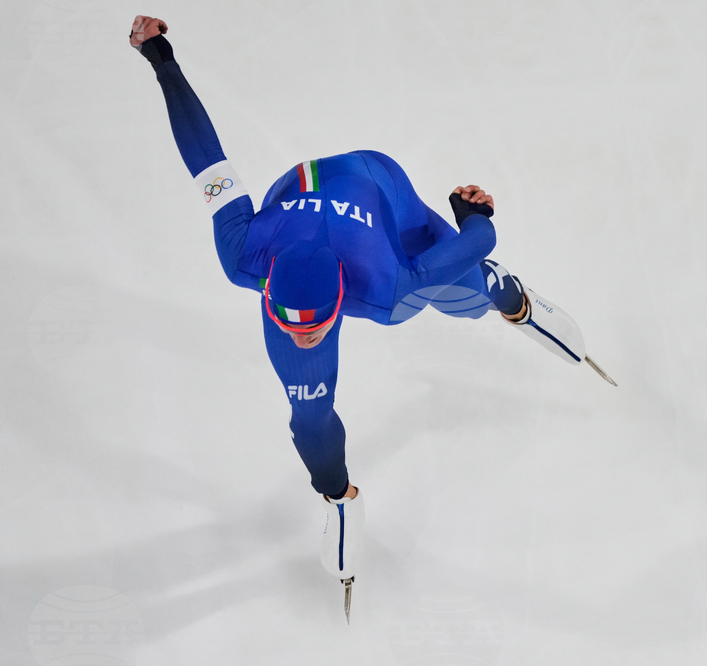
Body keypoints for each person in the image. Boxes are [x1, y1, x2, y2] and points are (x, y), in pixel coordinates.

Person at [129, 15, 606, 598]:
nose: (303, 336)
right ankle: (339, 498)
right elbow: (206, 158)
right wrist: (162, 59)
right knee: (309, 415)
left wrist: (469, 216)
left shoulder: (385, 284)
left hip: (383, 192)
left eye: (314, 329)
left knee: (463, 293)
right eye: (290, 326)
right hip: (308, 203)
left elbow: (481, 239)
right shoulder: (243, 252)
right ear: (268, 290)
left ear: (340, 304)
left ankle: (516, 303)